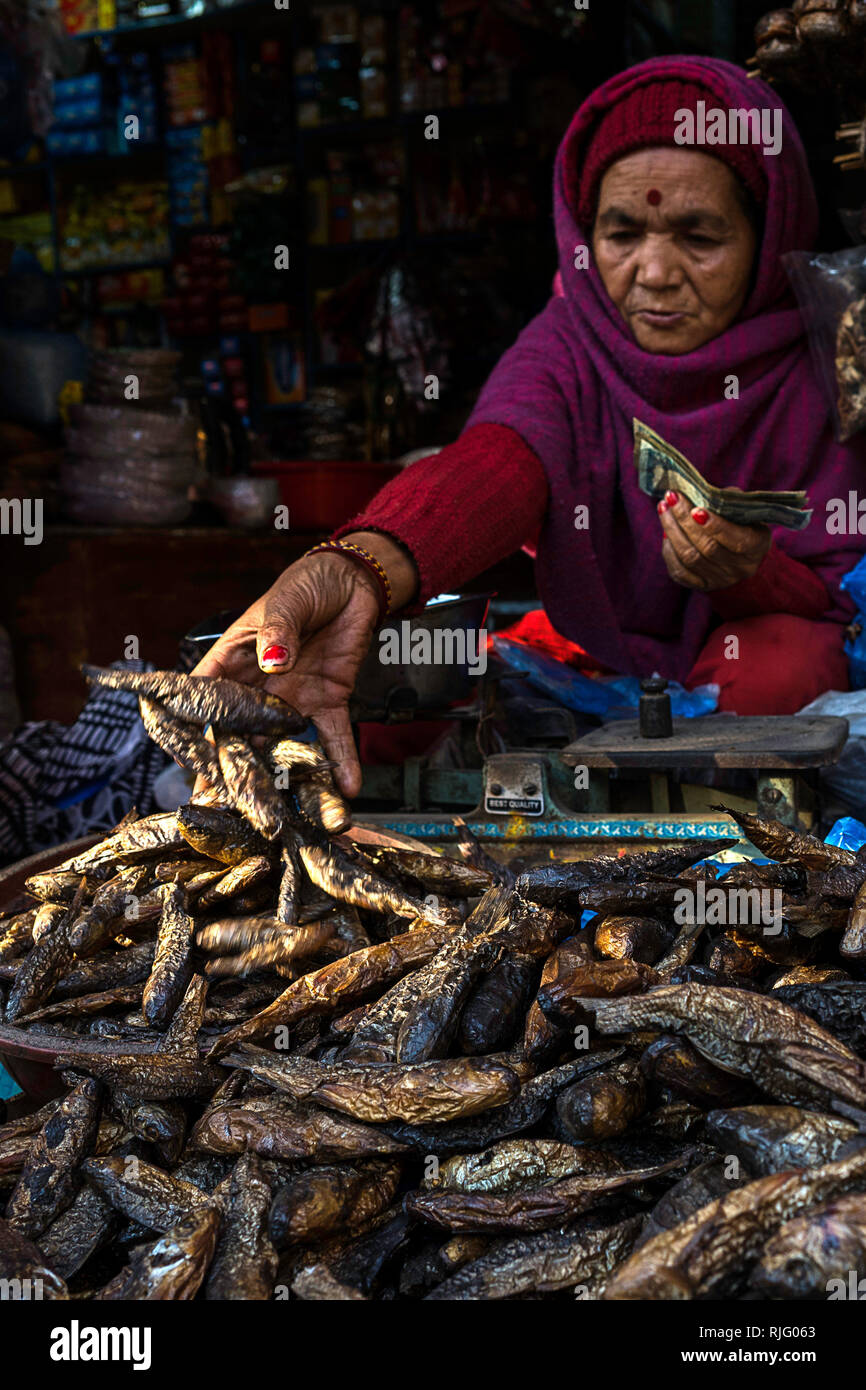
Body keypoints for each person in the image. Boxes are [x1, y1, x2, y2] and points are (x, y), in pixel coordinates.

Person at [195, 55, 866, 799]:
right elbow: (500, 460)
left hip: (755, 656)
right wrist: (362, 564)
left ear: (770, 233)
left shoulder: (830, 361)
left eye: (699, 238)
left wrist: (752, 575)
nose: (653, 272)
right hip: (601, 654)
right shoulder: (567, 344)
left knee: (779, 669)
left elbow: (844, 595)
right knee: (402, 684)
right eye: (621, 234)